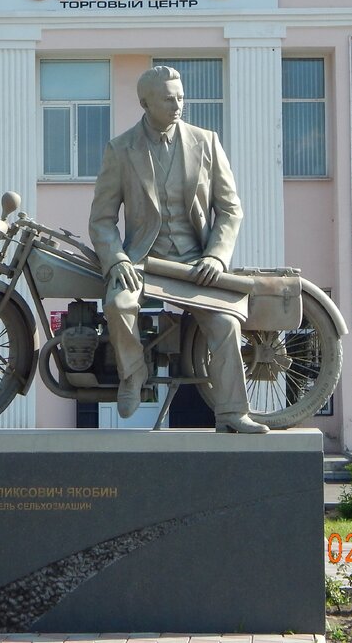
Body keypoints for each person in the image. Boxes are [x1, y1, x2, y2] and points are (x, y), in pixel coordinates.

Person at [89, 65, 267, 433]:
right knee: (117, 304)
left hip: (195, 263)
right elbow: (102, 219)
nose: (178, 105)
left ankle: (233, 413)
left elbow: (230, 209)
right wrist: (117, 258)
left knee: (226, 324)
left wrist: (216, 255)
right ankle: (133, 376)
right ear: (145, 102)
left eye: (181, 97)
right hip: (142, 261)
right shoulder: (120, 150)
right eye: (169, 99)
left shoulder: (207, 142)